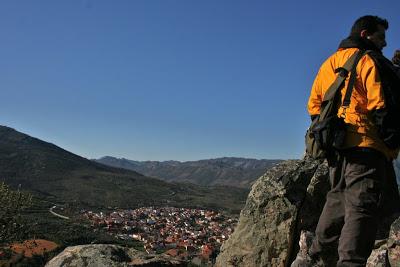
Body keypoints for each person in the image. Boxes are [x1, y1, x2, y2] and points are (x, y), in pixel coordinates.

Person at [294, 16, 400, 266]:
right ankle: (350, 262)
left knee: (337, 198)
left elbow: (314, 105)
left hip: (336, 147)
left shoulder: (329, 63)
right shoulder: (370, 61)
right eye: (380, 37)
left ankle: (315, 256)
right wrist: (392, 141)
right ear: (365, 35)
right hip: (366, 145)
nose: (384, 43)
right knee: (361, 207)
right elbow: (382, 106)